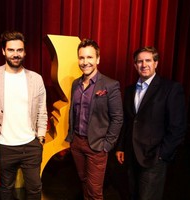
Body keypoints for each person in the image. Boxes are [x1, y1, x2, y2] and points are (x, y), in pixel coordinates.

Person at [116, 46, 187, 200]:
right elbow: (128, 122)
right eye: (140, 61)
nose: (144, 64)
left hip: (154, 158)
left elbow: (178, 127)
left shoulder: (170, 88)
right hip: (131, 155)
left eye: (148, 60)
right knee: (132, 194)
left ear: (156, 63)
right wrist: (121, 147)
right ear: (135, 65)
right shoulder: (129, 90)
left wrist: (162, 155)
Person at [0, 31, 47, 200]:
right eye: (11, 50)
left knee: (34, 189)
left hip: (30, 144)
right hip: (3, 146)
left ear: (25, 52)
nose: (15, 54)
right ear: (3, 51)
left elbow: (42, 110)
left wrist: (40, 137)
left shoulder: (36, 79)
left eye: (19, 50)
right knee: (5, 190)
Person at [65, 39, 123, 200]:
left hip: (97, 146)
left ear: (97, 59)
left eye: (89, 57)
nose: (85, 62)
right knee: (84, 182)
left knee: (95, 191)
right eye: (81, 58)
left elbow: (117, 118)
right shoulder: (75, 84)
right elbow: (73, 112)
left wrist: (107, 145)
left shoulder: (110, 85)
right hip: (77, 143)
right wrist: (71, 139)